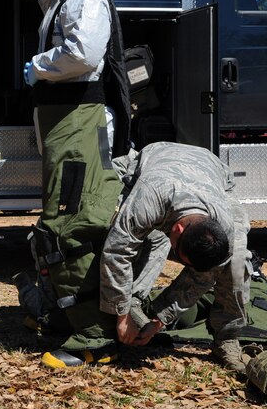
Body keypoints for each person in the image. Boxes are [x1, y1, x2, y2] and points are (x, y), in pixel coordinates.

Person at [20, 0, 131, 368]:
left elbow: (83, 54)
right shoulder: (59, 5)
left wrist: (38, 66)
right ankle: (65, 315)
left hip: (81, 127)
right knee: (57, 223)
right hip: (63, 128)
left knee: (78, 225)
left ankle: (94, 336)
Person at [100, 141, 251, 373]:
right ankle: (130, 301)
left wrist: (159, 320)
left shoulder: (225, 224)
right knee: (106, 221)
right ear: (178, 229)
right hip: (151, 163)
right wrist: (121, 314)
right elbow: (117, 251)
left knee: (237, 260)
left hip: (212, 170)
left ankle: (227, 337)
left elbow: (203, 277)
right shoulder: (149, 199)